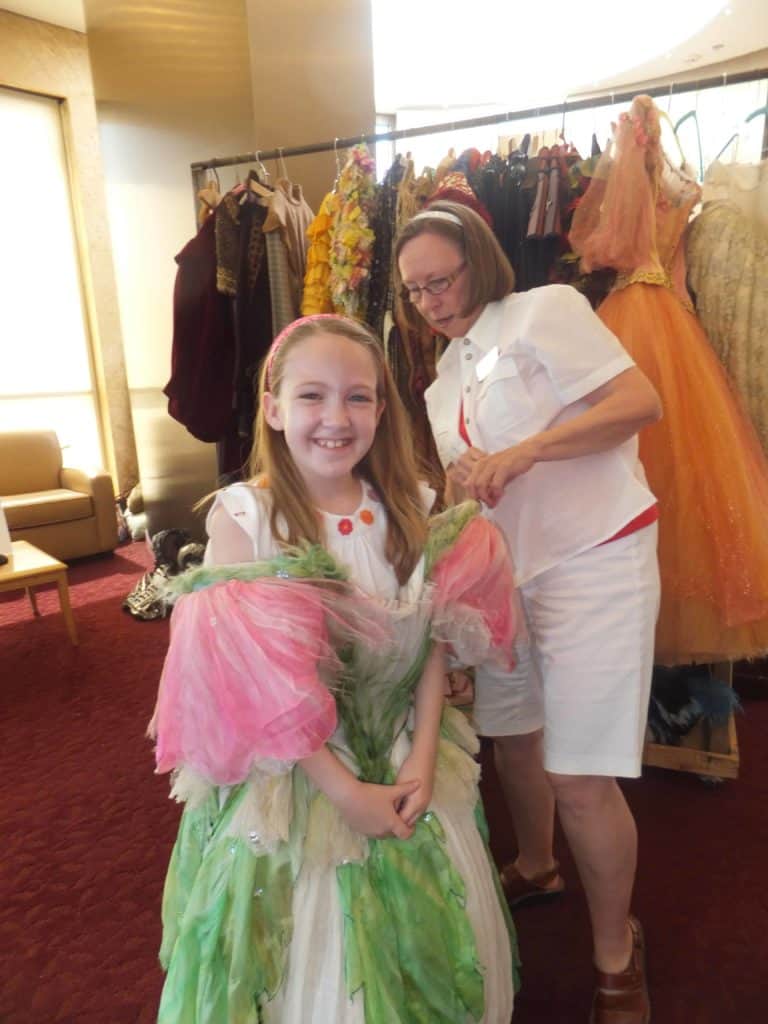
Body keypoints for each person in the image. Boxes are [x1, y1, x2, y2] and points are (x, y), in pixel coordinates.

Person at [148, 313, 520, 1023]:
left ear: (383, 409)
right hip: (304, 775)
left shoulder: (412, 507)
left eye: (358, 396)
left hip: (409, 753)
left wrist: (418, 761)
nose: (335, 418)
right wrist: (347, 792)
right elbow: (261, 691)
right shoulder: (246, 518)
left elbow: (430, 641)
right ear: (273, 406)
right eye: (312, 395)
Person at [395, 201, 662, 1024]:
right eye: (414, 291)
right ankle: (539, 866)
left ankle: (617, 953)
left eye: (442, 278)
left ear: (479, 258)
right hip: (509, 575)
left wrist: (528, 449)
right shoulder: (440, 387)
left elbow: (639, 403)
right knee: (515, 740)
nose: (432, 300)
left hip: (595, 555)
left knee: (578, 775)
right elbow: (466, 491)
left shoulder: (547, 310)